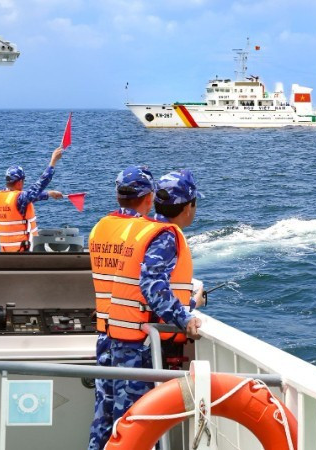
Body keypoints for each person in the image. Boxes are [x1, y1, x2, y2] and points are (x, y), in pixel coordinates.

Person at [108, 169, 205, 422]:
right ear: (188, 207)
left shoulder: (142, 229)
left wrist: (190, 302)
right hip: (140, 347)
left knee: (125, 424)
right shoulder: (166, 237)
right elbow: (151, 284)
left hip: (125, 340)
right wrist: (185, 319)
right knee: (137, 425)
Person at [86, 166, 155, 450]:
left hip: (105, 335)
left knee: (103, 414)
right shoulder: (144, 231)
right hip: (133, 342)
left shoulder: (98, 228)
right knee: (131, 419)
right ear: (148, 197)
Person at [0, 147, 64, 252]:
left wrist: (49, 194)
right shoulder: (20, 198)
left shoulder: (0, 196)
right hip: (21, 251)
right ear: (19, 182)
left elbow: (27, 198)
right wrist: (53, 162)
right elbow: (39, 185)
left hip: (6, 252)